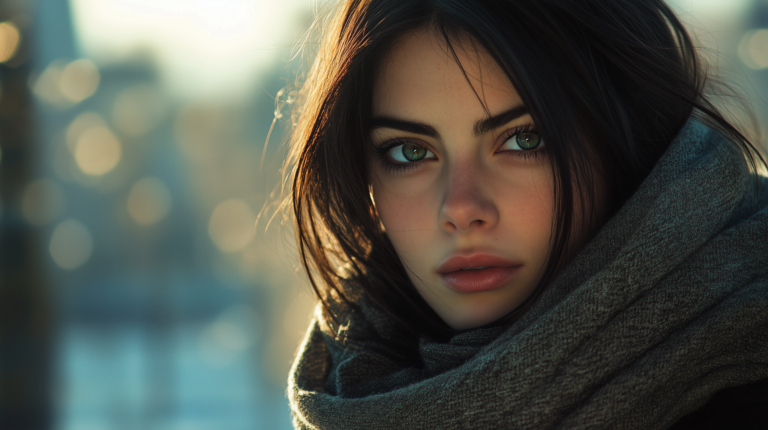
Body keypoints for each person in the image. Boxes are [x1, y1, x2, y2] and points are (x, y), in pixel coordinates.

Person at [284, 0, 768, 428]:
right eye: (410, 152)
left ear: (626, 138)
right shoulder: (346, 384)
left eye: (523, 140)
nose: (460, 209)